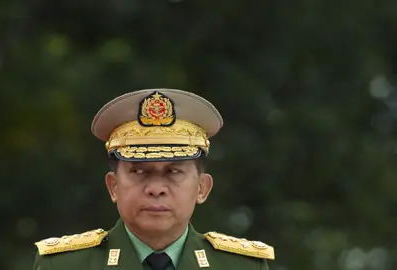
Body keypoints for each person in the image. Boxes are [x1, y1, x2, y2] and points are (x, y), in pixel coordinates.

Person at [32, 89, 275, 270]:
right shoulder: (63, 266)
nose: (156, 188)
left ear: (202, 188)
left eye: (174, 172)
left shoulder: (244, 266)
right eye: (139, 172)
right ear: (113, 186)